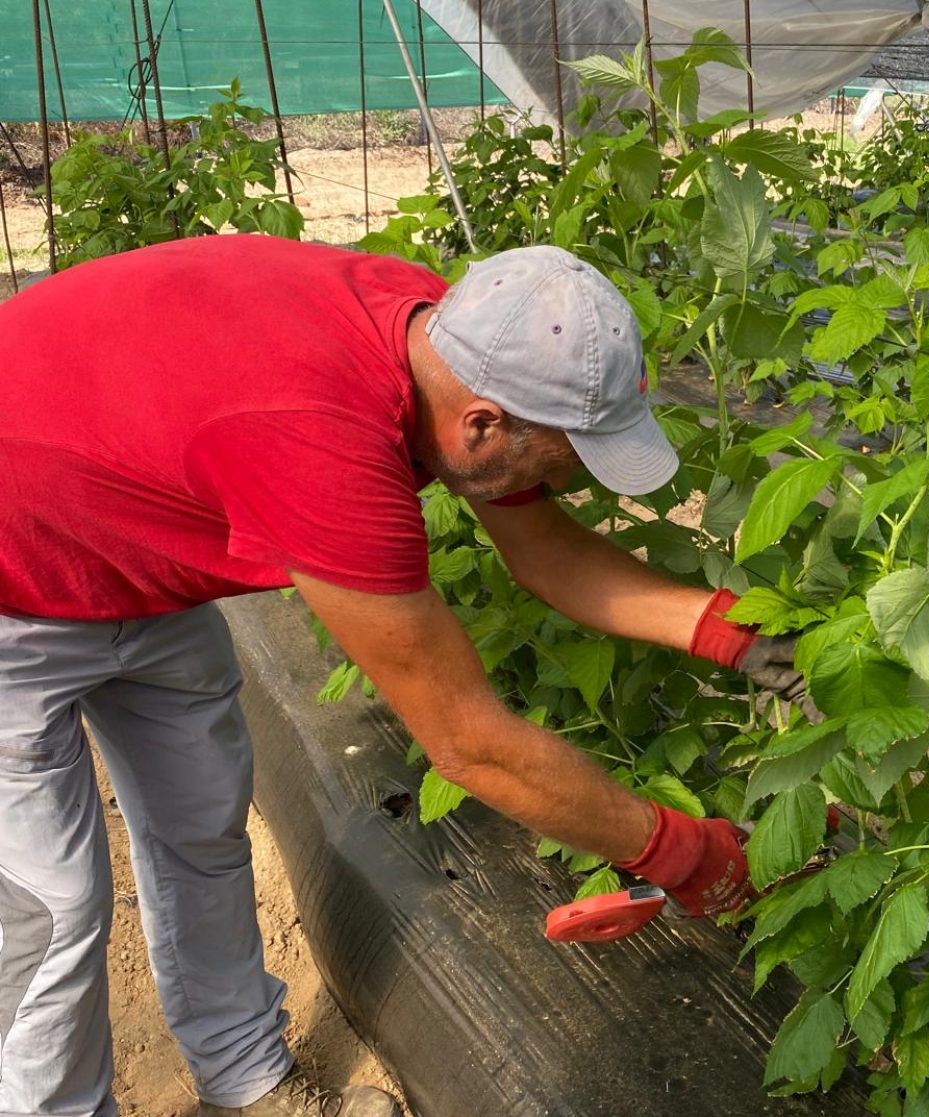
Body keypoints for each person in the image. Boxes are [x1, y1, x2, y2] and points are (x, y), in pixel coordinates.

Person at [0, 237, 802, 1117]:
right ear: (485, 425)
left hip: (130, 547)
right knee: (54, 908)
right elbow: (468, 742)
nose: (574, 476)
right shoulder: (324, 448)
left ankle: (246, 1080)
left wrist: (727, 633)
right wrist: (676, 848)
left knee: (201, 822)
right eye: (569, 454)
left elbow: (543, 552)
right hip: (13, 580)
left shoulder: (455, 335)